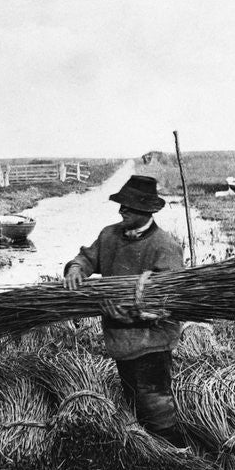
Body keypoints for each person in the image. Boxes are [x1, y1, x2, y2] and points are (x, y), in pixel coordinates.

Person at [62, 174, 186, 446]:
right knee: (132, 396)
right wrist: (75, 268)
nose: (121, 211)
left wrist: (129, 315)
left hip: (151, 343)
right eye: (121, 205)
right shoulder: (109, 235)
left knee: (156, 405)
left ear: (147, 210)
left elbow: (171, 302)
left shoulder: (164, 246)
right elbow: (86, 257)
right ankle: (146, 450)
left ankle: (174, 454)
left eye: (128, 207)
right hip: (119, 341)